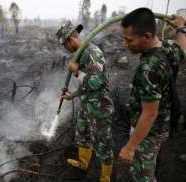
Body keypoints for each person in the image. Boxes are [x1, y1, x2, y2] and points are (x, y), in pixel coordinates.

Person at [118, 8, 186, 182]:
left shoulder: (148, 68)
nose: (125, 45)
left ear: (147, 36)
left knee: (142, 175)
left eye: (129, 40)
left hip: (150, 132)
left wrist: (130, 147)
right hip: (164, 122)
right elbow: (182, 47)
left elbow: (149, 114)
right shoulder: (168, 47)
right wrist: (181, 29)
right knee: (152, 160)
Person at [56, 21, 114, 182]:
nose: (65, 49)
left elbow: (95, 83)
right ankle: (83, 164)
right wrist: (72, 95)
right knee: (82, 134)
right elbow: (86, 85)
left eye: (64, 45)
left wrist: (76, 72)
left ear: (69, 40)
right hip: (87, 104)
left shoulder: (91, 53)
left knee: (102, 143)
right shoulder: (81, 54)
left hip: (99, 107)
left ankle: (105, 177)